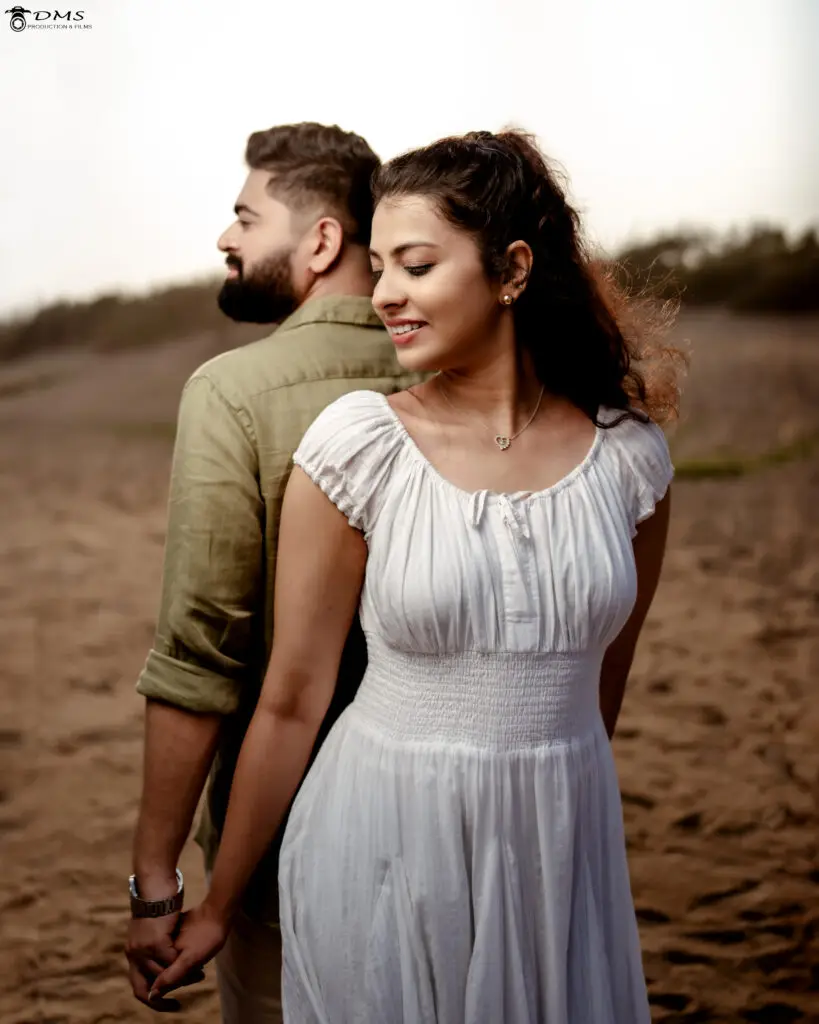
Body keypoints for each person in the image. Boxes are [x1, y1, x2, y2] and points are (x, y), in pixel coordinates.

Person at [149, 128, 685, 1022]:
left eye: (415, 265)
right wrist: (214, 905)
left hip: (558, 848)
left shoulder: (630, 458)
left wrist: (546, 821)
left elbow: (605, 681)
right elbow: (290, 699)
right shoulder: (360, 445)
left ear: (511, 269)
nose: (386, 294)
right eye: (381, 265)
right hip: (381, 836)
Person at [125, 121, 423, 1022]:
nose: (226, 238)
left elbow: (201, 655)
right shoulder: (464, 372)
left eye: (246, 218)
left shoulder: (234, 390)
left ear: (323, 240)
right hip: (454, 820)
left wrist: (154, 878)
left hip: (283, 830)